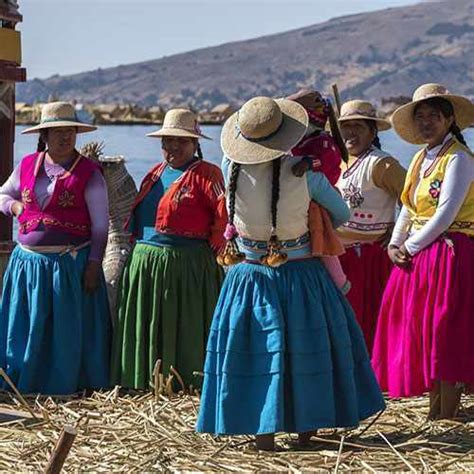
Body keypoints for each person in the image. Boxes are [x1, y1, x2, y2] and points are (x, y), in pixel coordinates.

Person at [196, 96, 385, 451]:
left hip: (248, 276)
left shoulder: (229, 167)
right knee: (306, 347)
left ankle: (263, 435)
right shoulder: (306, 173)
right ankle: (304, 432)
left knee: (257, 351)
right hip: (300, 273)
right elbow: (342, 215)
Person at [372, 83, 474, 419]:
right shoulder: (420, 158)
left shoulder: (458, 157)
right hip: (420, 256)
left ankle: (447, 414)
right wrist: (393, 244)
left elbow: (446, 213)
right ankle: (435, 412)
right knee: (422, 330)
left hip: (450, 254)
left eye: (434, 115)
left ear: (448, 119)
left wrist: (410, 247)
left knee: (445, 331)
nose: (426, 122)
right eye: (421, 116)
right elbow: (407, 207)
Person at [111, 109, 226, 391]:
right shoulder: (155, 173)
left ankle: (186, 382)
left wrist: (214, 259)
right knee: (147, 327)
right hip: (146, 264)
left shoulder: (208, 174)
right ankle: (144, 382)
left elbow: (224, 219)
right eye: (167, 141)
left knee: (184, 326)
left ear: (195, 143)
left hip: (186, 267)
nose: (173, 147)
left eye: (181, 141)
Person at [0, 101, 111, 394]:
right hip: (28, 267)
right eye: (57, 131)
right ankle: (21, 382)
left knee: (65, 331)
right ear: (44, 135)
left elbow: (101, 225)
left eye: (70, 131)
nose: (65, 137)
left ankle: (64, 387)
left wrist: (94, 264)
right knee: (27, 327)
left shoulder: (89, 173)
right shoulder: (26, 165)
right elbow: (1, 195)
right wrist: (14, 205)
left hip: (69, 266)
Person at [336, 100, 406, 354]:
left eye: (358, 126)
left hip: (369, 258)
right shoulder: (338, 162)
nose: (350, 133)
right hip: (339, 257)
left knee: (367, 320)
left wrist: (399, 231)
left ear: (372, 131)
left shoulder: (382, 164)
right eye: (345, 126)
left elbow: (412, 197)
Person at [287, 89, 349, 293]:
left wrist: (307, 163)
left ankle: (340, 282)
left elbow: (325, 162)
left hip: (319, 199)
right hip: (304, 195)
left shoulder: (322, 142)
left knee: (324, 239)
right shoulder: (302, 141)